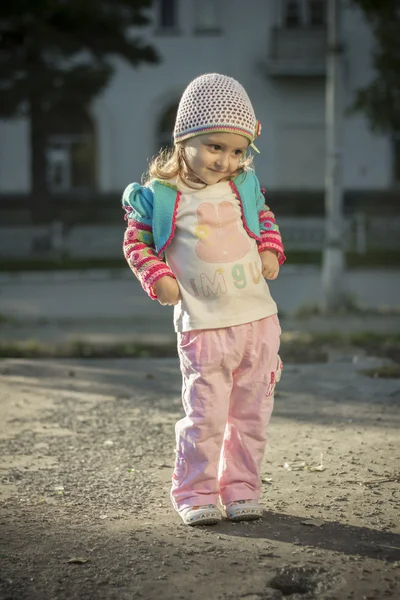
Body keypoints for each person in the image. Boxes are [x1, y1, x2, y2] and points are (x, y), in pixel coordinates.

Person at [122, 73, 286, 526]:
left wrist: (271, 247)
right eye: (214, 147)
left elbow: (265, 219)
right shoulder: (161, 195)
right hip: (204, 327)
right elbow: (137, 243)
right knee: (206, 418)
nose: (226, 160)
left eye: (237, 151)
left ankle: (241, 489)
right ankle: (195, 492)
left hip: (259, 322)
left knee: (251, 417)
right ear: (183, 139)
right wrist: (157, 277)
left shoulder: (244, 186)